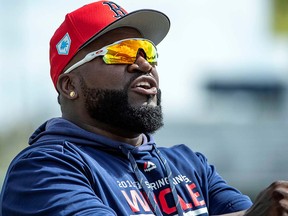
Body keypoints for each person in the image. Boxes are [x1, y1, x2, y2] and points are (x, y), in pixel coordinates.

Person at [1, 1, 288, 215]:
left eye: (147, 51)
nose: (143, 64)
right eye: (121, 53)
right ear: (69, 85)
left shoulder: (190, 164)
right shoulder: (42, 171)